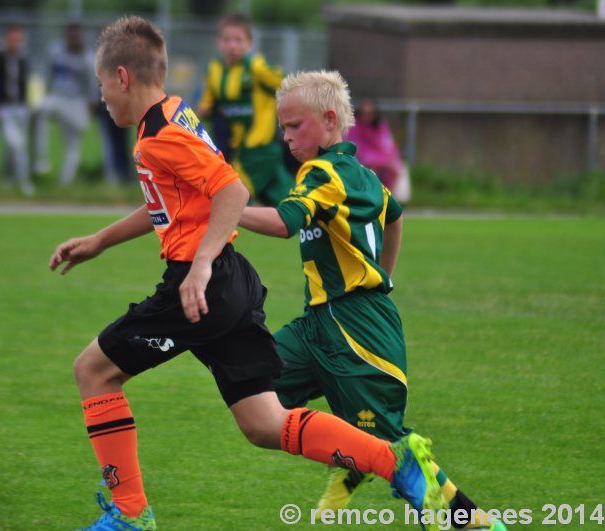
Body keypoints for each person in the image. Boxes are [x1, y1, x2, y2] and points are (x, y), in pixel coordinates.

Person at [48, 16, 446, 531]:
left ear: (122, 77)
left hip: (201, 284)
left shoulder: (161, 135)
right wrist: (99, 241)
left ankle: (129, 515)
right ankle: (395, 462)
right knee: (263, 423)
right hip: (228, 283)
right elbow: (171, 205)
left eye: (102, 84)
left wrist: (200, 266)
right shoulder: (171, 117)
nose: (101, 96)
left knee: (93, 372)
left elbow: (231, 191)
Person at [239, 70, 505, 531]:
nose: (285, 137)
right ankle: (353, 456)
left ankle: (469, 520)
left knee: (392, 450)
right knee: (253, 387)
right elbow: (396, 217)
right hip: (318, 324)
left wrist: (223, 209)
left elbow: (285, 223)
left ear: (328, 121)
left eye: (293, 126)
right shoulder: (362, 177)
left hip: (357, 327)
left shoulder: (323, 172)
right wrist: (387, 274)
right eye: (282, 127)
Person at [196, 13, 292, 206]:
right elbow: (207, 101)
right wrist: (204, 110)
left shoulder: (257, 68)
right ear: (218, 42)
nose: (232, 45)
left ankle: (217, 237)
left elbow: (290, 84)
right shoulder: (214, 69)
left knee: (228, 197)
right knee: (291, 204)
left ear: (249, 43)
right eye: (226, 40)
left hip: (260, 148)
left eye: (238, 40)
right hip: (241, 149)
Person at [33, 22, 96, 186]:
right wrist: (47, 92)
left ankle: (65, 183)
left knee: (73, 143)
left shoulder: (88, 57)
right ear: (66, 36)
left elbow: (92, 85)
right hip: (58, 97)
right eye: (71, 35)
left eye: (77, 36)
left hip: (76, 102)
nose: (74, 39)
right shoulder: (56, 51)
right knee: (41, 110)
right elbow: (48, 75)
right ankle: (41, 160)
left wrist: (90, 107)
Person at [0, 24, 33, 195]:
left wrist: (26, 103)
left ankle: (7, 179)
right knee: (16, 144)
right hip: (2, 107)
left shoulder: (22, 59)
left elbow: (24, 82)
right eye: (13, 39)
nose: (16, 43)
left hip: (19, 106)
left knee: (13, 147)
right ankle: (24, 181)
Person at [345, 97, 410, 203]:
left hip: (382, 162)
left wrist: (388, 161)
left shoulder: (380, 126)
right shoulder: (355, 127)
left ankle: (390, 201)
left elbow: (388, 147)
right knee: (371, 172)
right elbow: (357, 149)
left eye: (370, 113)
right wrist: (375, 161)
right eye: (364, 113)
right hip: (362, 163)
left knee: (399, 168)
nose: (367, 116)